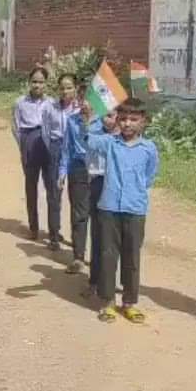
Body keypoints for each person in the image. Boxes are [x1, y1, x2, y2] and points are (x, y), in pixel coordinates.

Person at [81, 98, 159, 324]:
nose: (127, 124)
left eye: (133, 120)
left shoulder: (149, 149)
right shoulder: (109, 143)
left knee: (131, 257)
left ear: (143, 122)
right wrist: (88, 118)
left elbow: (149, 175)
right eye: (122, 119)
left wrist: (137, 194)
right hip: (109, 208)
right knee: (107, 255)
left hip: (135, 210)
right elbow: (89, 141)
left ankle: (129, 302)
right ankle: (107, 302)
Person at [59, 75, 99, 274]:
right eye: (82, 99)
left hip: (99, 172)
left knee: (99, 217)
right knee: (79, 215)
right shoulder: (72, 121)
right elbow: (66, 149)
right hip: (78, 169)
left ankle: (99, 259)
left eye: (89, 100)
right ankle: (78, 257)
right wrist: (62, 173)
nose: (85, 104)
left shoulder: (103, 123)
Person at [12, 68, 54, 241]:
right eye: (34, 81)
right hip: (29, 141)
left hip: (48, 144)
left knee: (52, 187)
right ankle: (33, 227)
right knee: (31, 187)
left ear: (46, 84)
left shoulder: (52, 103)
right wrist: (23, 145)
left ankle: (54, 230)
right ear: (29, 83)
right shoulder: (20, 102)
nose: (37, 85)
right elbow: (15, 127)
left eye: (41, 82)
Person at [82, 108, 119, 297]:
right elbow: (91, 147)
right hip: (99, 183)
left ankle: (112, 282)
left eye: (115, 115)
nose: (111, 119)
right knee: (97, 235)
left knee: (116, 239)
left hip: (120, 188)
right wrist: (89, 122)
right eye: (107, 115)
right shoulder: (94, 133)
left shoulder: (129, 139)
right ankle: (94, 281)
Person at [41, 74, 79, 251]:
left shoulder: (81, 108)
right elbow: (45, 132)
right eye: (62, 87)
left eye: (69, 87)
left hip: (75, 151)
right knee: (54, 195)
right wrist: (52, 151)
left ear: (76, 88)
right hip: (55, 150)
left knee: (77, 196)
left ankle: (77, 238)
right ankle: (54, 236)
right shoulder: (50, 107)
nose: (65, 91)